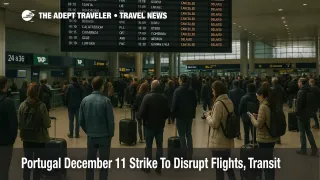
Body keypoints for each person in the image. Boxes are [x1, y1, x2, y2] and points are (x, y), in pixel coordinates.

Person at [79, 76, 114, 180]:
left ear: (92, 86)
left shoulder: (85, 100)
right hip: (104, 136)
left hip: (91, 136)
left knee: (90, 162)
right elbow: (110, 121)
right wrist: (110, 134)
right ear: (102, 87)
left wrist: (88, 130)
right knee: (104, 163)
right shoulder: (106, 101)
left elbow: (81, 120)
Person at [18, 82, 51, 180]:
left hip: (26, 139)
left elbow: (20, 124)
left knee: (27, 164)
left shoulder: (22, 105)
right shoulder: (42, 106)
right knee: (37, 165)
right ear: (38, 92)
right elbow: (47, 124)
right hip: (39, 139)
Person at [205, 80, 236, 180]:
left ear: (216, 91)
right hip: (228, 138)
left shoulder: (218, 104)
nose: (212, 93)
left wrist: (208, 116)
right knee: (227, 165)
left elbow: (214, 124)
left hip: (218, 140)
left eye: (213, 91)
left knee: (219, 168)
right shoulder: (229, 101)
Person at [138, 80, 169, 174]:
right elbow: (167, 113)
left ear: (151, 87)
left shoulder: (147, 97)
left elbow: (142, 112)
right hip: (160, 126)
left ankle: (147, 167)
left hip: (148, 126)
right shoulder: (164, 98)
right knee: (159, 146)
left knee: (148, 146)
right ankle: (159, 166)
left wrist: (139, 116)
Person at [249, 83, 279, 180]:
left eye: (257, 95)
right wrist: (258, 116)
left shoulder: (263, 106)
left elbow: (259, 124)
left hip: (264, 138)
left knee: (266, 163)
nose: (256, 97)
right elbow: (267, 118)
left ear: (261, 95)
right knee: (269, 161)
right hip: (272, 136)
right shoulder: (271, 103)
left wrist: (252, 118)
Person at [171, 74, 197, 159]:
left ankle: (184, 155)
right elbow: (195, 103)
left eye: (179, 79)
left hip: (180, 116)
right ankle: (190, 154)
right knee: (188, 134)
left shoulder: (177, 91)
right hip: (189, 116)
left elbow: (174, 104)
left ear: (181, 80)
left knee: (181, 135)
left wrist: (172, 115)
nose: (178, 81)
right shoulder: (192, 90)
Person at [0, 76, 18, 180]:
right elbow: (13, 124)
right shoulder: (9, 102)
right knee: (3, 170)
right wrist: (11, 140)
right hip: (5, 142)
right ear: (6, 85)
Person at [296, 78, 318, 156]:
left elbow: (299, 105)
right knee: (308, 131)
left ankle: (303, 150)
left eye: (298, 82)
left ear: (301, 83)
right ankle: (314, 148)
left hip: (301, 115)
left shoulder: (301, 92)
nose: (298, 84)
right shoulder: (310, 90)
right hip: (308, 114)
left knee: (302, 133)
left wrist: (296, 113)